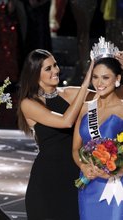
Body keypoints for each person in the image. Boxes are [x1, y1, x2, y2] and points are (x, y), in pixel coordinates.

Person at [17, 48, 94, 219]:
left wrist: (119, 71)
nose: (56, 70)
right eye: (48, 68)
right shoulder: (28, 103)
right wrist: (86, 81)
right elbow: (66, 121)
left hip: (75, 174)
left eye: (55, 65)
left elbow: (111, 100)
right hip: (47, 180)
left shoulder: (70, 94)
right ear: (35, 73)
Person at [72, 38, 123, 219]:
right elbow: (76, 148)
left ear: (117, 79)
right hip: (88, 184)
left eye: (105, 77)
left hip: (115, 186)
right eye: (95, 77)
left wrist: (117, 170)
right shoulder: (85, 108)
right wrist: (83, 166)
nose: (99, 83)